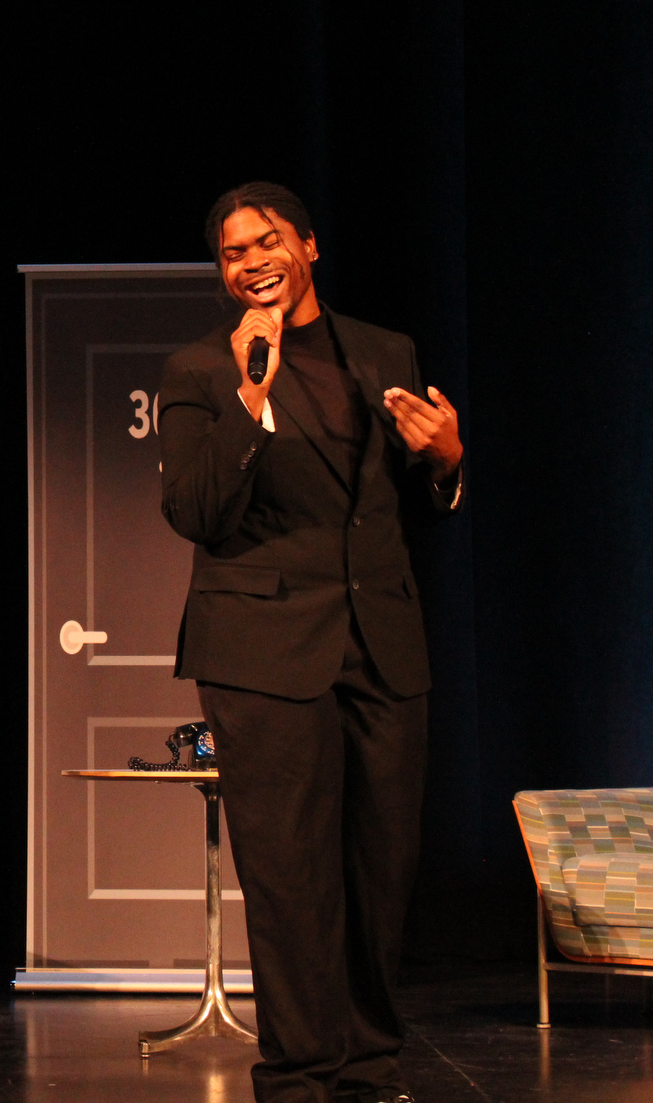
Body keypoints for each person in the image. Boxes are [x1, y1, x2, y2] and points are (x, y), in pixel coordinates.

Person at [158, 183, 463, 1103]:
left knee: (382, 870)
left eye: (266, 241)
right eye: (231, 251)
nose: (250, 260)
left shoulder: (384, 352)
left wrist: (446, 459)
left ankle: (369, 1067)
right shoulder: (202, 371)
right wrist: (252, 401)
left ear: (310, 247)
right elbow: (195, 511)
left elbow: (398, 507)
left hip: (381, 642)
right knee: (290, 876)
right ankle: (298, 1077)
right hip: (263, 649)